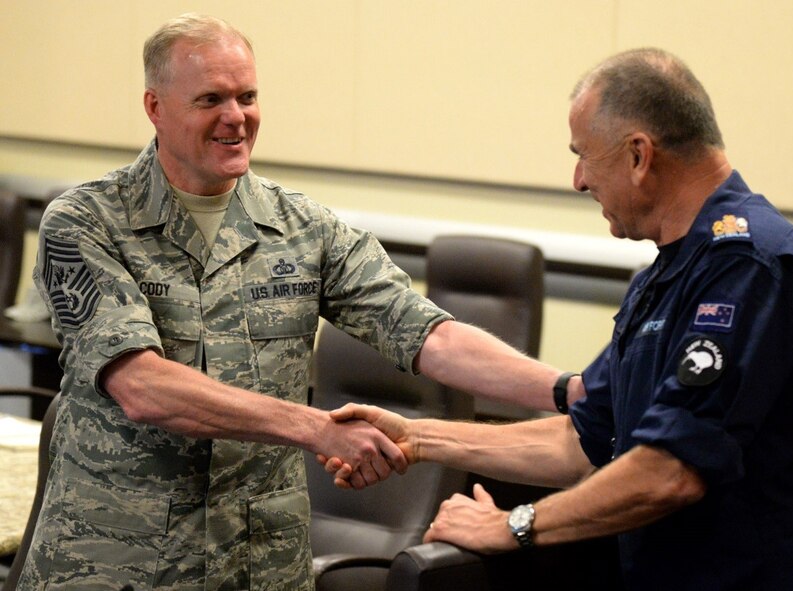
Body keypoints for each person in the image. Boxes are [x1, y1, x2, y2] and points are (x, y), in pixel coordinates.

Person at [21, 14, 574, 591]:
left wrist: (568, 391)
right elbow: (142, 387)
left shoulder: (303, 227)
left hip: (258, 565)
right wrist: (317, 429)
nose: (235, 117)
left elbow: (425, 333)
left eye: (247, 96)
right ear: (155, 107)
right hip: (117, 562)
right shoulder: (87, 222)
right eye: (211, 98)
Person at [326, 48, 793, 590]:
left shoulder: (749, 267)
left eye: (583, 154)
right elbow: (583, 437)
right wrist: (418, 438)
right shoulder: (664, 276)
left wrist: (511, 526)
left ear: (639, 155)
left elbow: (669, 471)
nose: (578, 179)